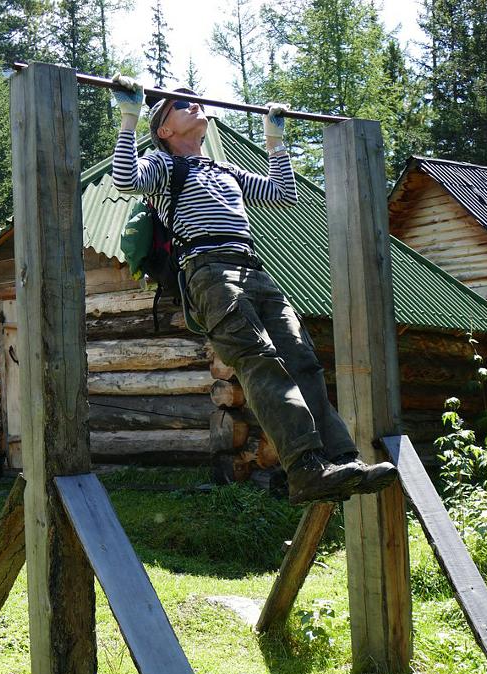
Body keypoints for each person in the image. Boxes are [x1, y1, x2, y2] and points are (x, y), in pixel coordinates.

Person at [110, 74, 397, 503]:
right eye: (180, 104)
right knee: (261, 363)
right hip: (208, 272)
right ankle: (304, 468)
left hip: (253, 270)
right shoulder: (166, 166)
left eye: (193, 99)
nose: (193, 103)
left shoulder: (224, 171)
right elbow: (125, 179)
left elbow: (282, 194)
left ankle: (342, 460)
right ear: (165, 130)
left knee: (302, 361)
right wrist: (129, 117)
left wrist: (275, 142)